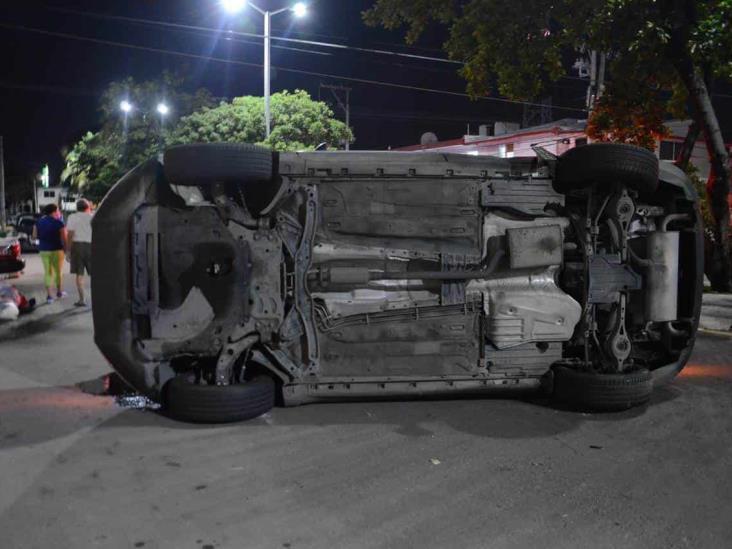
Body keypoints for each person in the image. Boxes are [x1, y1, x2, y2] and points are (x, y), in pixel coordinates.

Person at [33, 203, 67, 304]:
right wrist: (66, 250)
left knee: (48, 272)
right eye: (57, 210)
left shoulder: (38, 222)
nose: (58, 212)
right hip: (57, 250)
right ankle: (59, 292)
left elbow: (34, 236)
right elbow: (64, 239)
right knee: (58, 272)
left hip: (44, 250)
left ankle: (49, 296)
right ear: (54, 211)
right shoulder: (59, 223)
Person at [66, 199, 93, 307]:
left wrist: (68, 250)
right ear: (87, 207)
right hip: (91, 246)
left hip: (77, 246)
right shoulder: (93, 217)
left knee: (79, 274)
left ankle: (82, 299)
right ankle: (97, 298)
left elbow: (70, 235)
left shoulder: (72, 217)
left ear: (77, 208)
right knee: (94, 274)